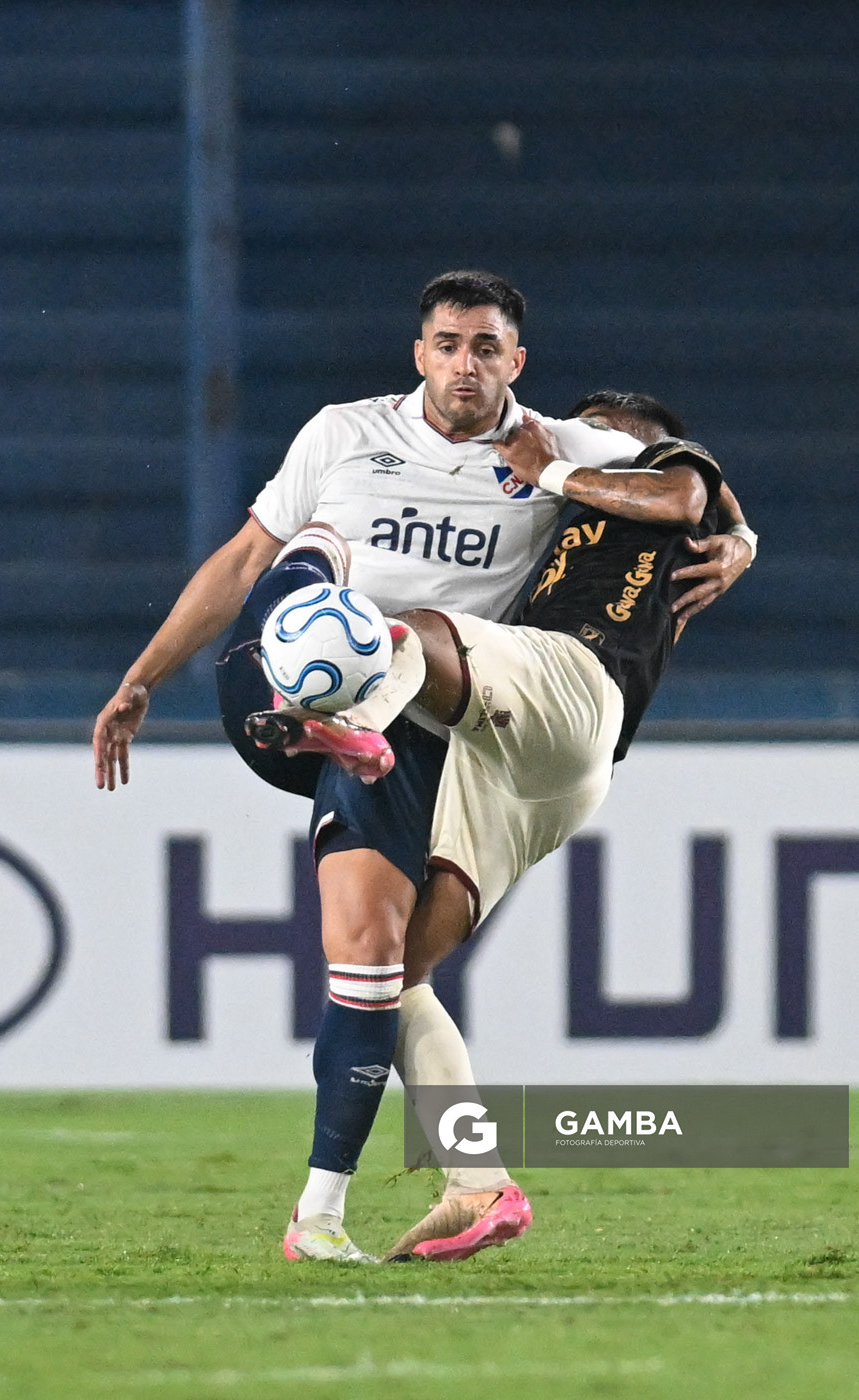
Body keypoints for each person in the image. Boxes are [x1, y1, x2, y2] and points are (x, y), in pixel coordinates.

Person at [92, 272, 753, 1262]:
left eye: (487, 347)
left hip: (482, 706)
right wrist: (143, 676)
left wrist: (737, 533)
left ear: (514, 362)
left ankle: (335, 710)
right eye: (448, 343)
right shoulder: (344, 433)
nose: (466, 364)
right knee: (386, 972)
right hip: (410, 712)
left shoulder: (557, 447)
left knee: (381, 952)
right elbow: (238, 562)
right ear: (420, 351)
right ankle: (475, 1175)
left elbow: (688, 478)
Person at [251, 396, 734, 1261]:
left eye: (590, 428)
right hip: (537, 766)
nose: (555, 437)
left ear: (634, 434)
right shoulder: (571, 510)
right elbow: (721, 525)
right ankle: (479, 1182)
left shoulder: (666, 465)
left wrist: (552, 464)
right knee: (394, 979)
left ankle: (355, 723)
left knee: (413, 632)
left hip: (577, 680)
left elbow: (688, 504)